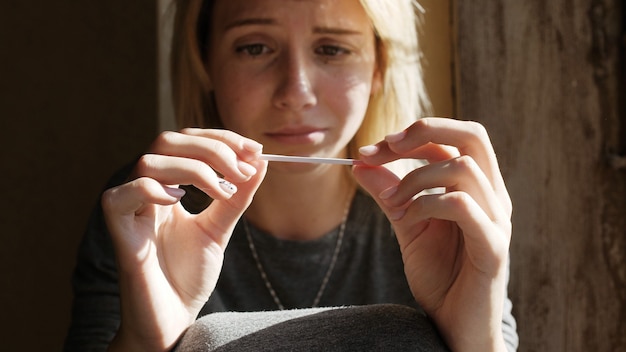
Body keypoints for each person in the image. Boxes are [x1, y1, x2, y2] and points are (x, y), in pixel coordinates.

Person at [64, 0, 518, 351]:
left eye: (331, 49)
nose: (296, 92)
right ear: (205, 64)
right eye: (255, 47)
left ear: (378, 66)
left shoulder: (442, 211)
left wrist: (475, 338)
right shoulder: (150, 209)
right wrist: (147, 341)